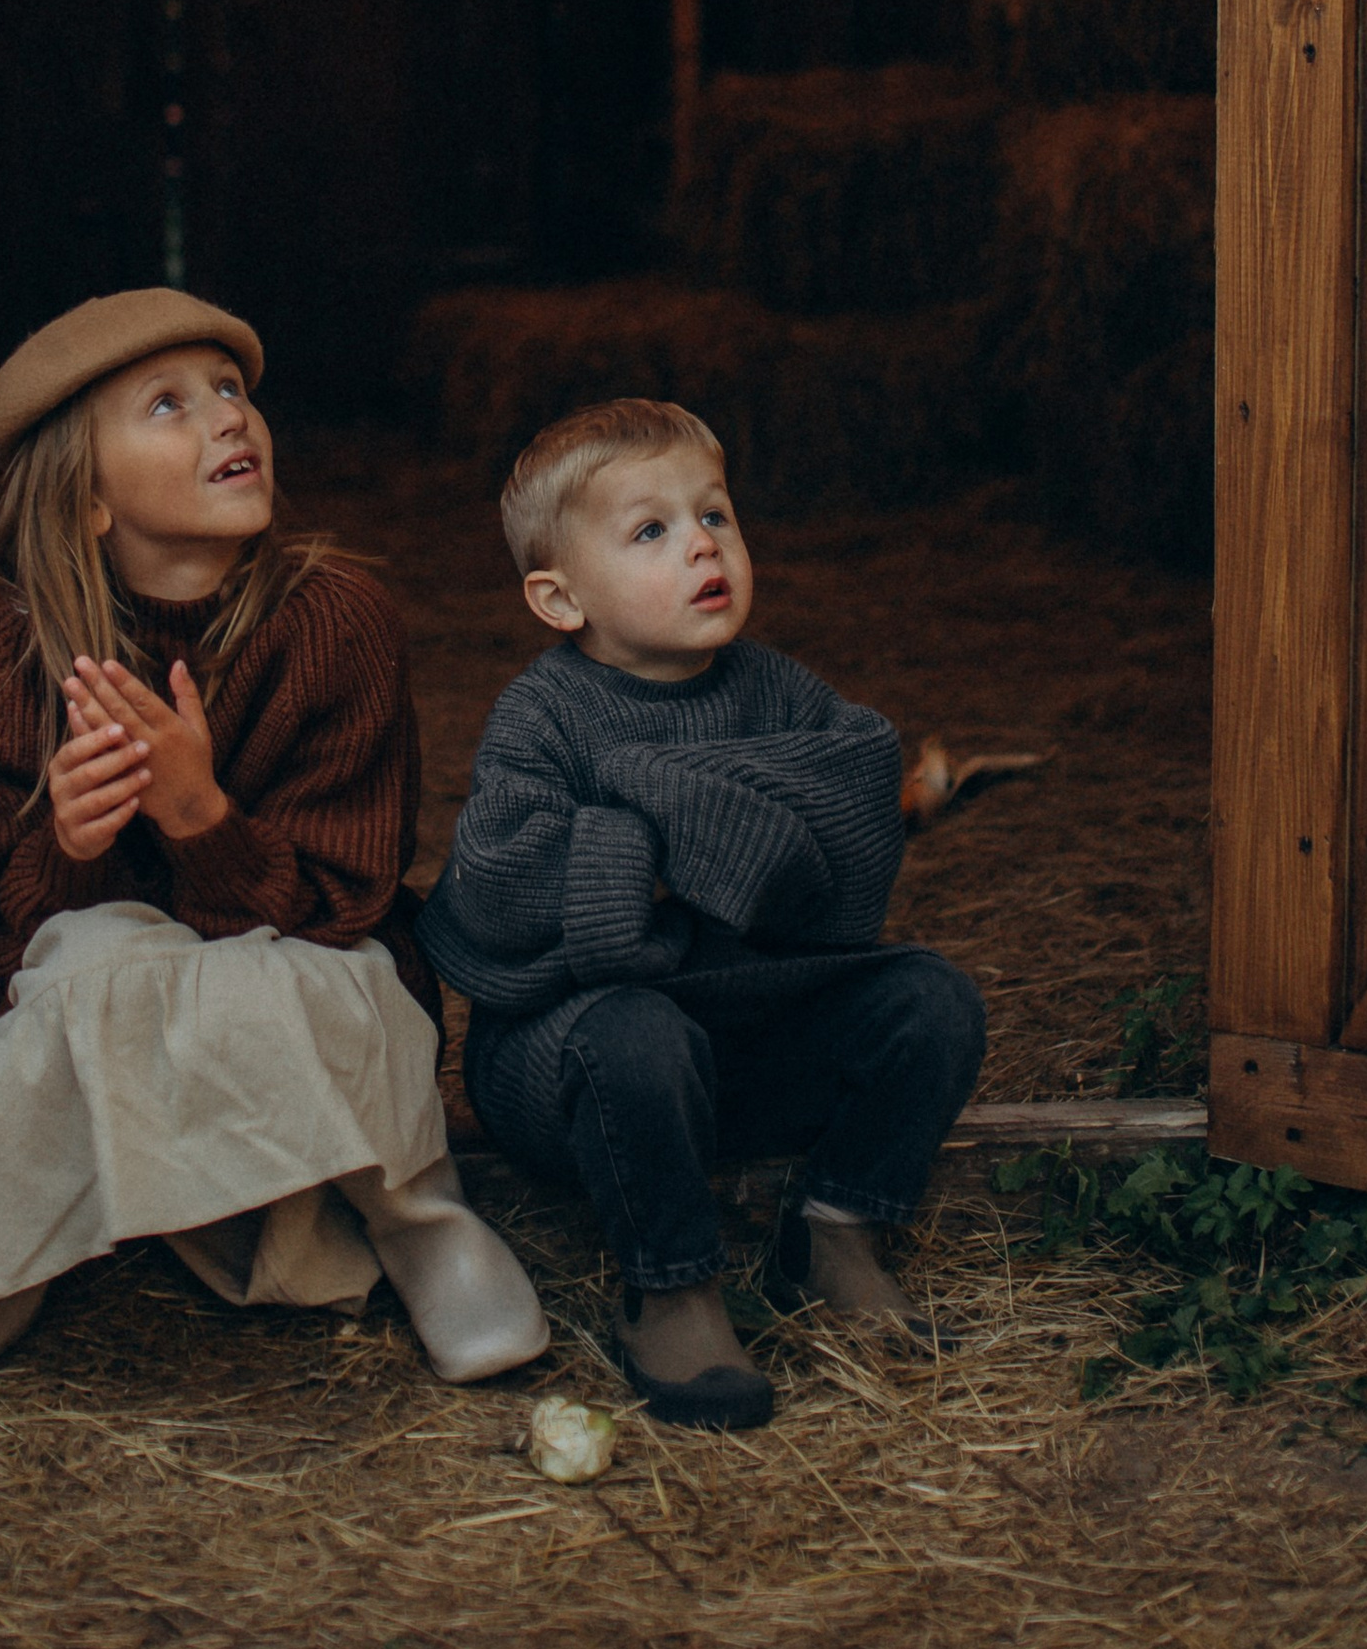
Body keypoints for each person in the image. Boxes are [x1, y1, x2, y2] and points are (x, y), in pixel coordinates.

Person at [0, 289, 549, 1405]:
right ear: (85, 500)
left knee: (350, 981)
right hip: (108, 979)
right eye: (168, 405)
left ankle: (420, 1223)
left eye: (229, 390)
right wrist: (73, 844)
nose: (227, 418)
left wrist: (198, 818)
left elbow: (345, 898)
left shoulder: (337, 618)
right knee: (83, 957)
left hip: (298, 961)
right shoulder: (20, 646)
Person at [420, 397, 985, 1431]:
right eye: (651, 530)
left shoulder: (773, 689)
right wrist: (699, 836)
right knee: (637, 1032)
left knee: (930, 998)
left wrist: (657, 821)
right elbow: (501, 888)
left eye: (714, 515)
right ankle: (672, 1283)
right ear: (558, 597)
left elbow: (858, 801)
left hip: (744, 1036)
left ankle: (836, 1228)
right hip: (574, 1057)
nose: (701, 545)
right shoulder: (541, 717)